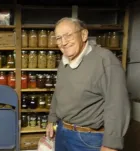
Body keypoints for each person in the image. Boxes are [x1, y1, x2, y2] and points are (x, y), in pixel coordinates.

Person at [46, 17, 130, 151]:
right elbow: (59, 92)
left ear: (84, 35)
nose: (63, 42)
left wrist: (111, 144)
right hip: (62, 131)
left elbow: (117, 104)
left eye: (68, 35)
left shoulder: (105, 60)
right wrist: (52, 119)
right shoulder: (64, 60)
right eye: (58, 38)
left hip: (88, 138)